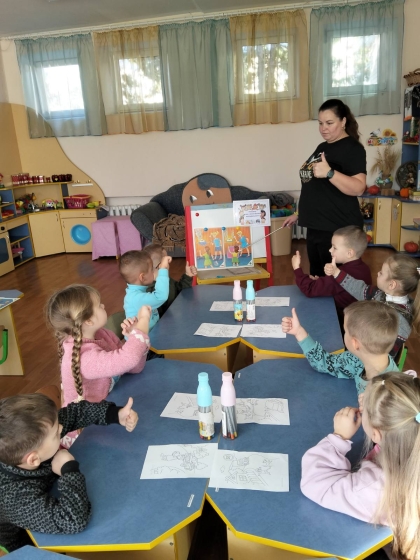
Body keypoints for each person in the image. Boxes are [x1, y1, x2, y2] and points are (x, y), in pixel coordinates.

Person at [301, 372, 420, 560]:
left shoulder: (375, 488)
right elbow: (410, 387)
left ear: (376, 434)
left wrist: (338, 438)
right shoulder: (413, 424)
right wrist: (378, 398)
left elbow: (316, 482)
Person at [0, 393, 139, 553]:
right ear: (34, 459)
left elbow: (75, 413)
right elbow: (73, 520)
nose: (61, 428)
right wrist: (69, 469)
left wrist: (115, 414)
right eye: (56, 435)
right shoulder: (14, 497)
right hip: (27, 540)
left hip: (45, 492)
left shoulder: (38, 435)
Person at [46, 284, 150, 447]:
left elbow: (134, 366)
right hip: (86, 433)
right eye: (99, 305)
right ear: (88, 320)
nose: (103, 305)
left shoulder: (103, 334)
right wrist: (142, 325)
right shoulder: (84, 358)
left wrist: (133, 338)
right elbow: (127, 359)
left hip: (109, 413)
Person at [282, 99, 367, 277]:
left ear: (343, 121)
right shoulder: (322, 147)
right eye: (320, 123)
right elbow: (317, 188)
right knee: (318, 278)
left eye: (329, 123)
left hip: (337, 230)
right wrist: (299, 213)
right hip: (316, 226)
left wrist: (330, 173)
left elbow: (359, 187)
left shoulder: (353, 149)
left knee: (334, 282)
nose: (323, 128)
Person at [281, 301, 400, 395]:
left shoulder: (388, 394)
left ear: (355, 343)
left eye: (345, 331)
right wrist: (299, 332)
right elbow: (324, 363)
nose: (344, 333)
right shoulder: (355, 359)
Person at [325, 253, 420, 358]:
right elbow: (358, 288)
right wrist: (336, 272)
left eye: (381, 273)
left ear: (391, 285)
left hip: (370, 360)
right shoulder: (379, 294)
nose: (378, 273)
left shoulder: (400, 323)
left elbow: (385, 356)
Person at [292, 225, 371, 322]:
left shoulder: (342, 275)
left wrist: (297, 268)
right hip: (358, 318)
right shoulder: (364, 268)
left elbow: (310, 289)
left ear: (349, 253)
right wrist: (321, 281)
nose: (330, 250)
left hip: (341, 321)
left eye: (334, 248)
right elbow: (335, 287)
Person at [119, 250, 171, 331]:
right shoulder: (135, 298)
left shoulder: (137, 292)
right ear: (142, 277)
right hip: (143, 338)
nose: (154, 271)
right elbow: (161, 296)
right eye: (151, 270)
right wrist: (163, 269)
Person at [143, 243, 197, 317]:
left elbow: (180, 290)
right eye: (168, 261)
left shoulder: (166, 279)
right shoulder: (149, 291)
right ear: (161, 265)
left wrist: (187, 275)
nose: (170, 264)